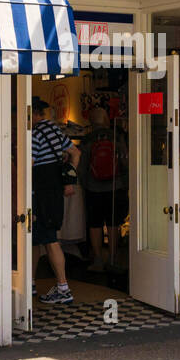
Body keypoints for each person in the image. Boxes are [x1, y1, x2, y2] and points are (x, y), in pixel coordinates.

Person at [32, 97, 80, 304]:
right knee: (33, 239)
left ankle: (63, 288)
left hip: (40, 193)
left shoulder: (34, 134)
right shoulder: (56, 131)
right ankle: (29, 282)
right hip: (53, 191)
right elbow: (75, 153)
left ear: (34, 113)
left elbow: (30, 162)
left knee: (50, 240)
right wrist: (70, 178)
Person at [78, 107, 128, 274]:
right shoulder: (117, 136)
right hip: (116, 186)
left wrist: (85, 184)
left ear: (91, 122)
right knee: (114, 222)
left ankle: (98, 258)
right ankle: (113, 258)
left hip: (93, 188)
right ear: (106, 119)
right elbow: (125, 161)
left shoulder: (86, 140)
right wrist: (125, 182)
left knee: (95, 223)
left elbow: (82, 167)